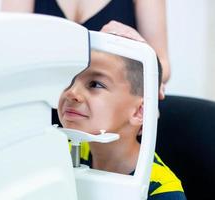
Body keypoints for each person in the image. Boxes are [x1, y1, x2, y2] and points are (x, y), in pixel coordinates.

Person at [58, 49, 186, 199]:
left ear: (140, 111)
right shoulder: (60, 155)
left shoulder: (161, 191)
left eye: (95, 84)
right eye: (70, 80)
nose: (71, 93)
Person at [1, 0, 170, 86]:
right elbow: (9, 56)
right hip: (41, 107)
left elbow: (162, 65)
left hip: (106, 118)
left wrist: (143, 64)